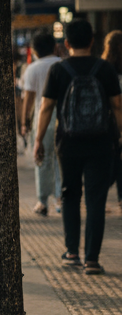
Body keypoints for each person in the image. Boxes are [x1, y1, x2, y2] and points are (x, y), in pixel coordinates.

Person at [35, 18, 122, 275]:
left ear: (66, 43)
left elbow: (46, 108)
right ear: (92, 41)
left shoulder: (58, 70)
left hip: (68, 142)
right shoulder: (105, 69)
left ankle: (72, 252)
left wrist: (39, 139)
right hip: (101, 143)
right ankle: (92, 259)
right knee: (96, 199)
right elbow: (117, 106)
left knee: (70, 194)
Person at [20, 31, 61, 215]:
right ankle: (60, 198)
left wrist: (24, 122)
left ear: (34, 50)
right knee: (60, 160)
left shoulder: (32, 69)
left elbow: (28, 99)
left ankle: (42, 202)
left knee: (41, 158)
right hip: (63, 119)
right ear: (55, 47)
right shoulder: (62, 64)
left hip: (41, 118)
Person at [102, 29, 122, 215]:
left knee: (112, 161)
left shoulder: (103, 68)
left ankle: (98, 197)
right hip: (117, 121)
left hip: (108, 123)